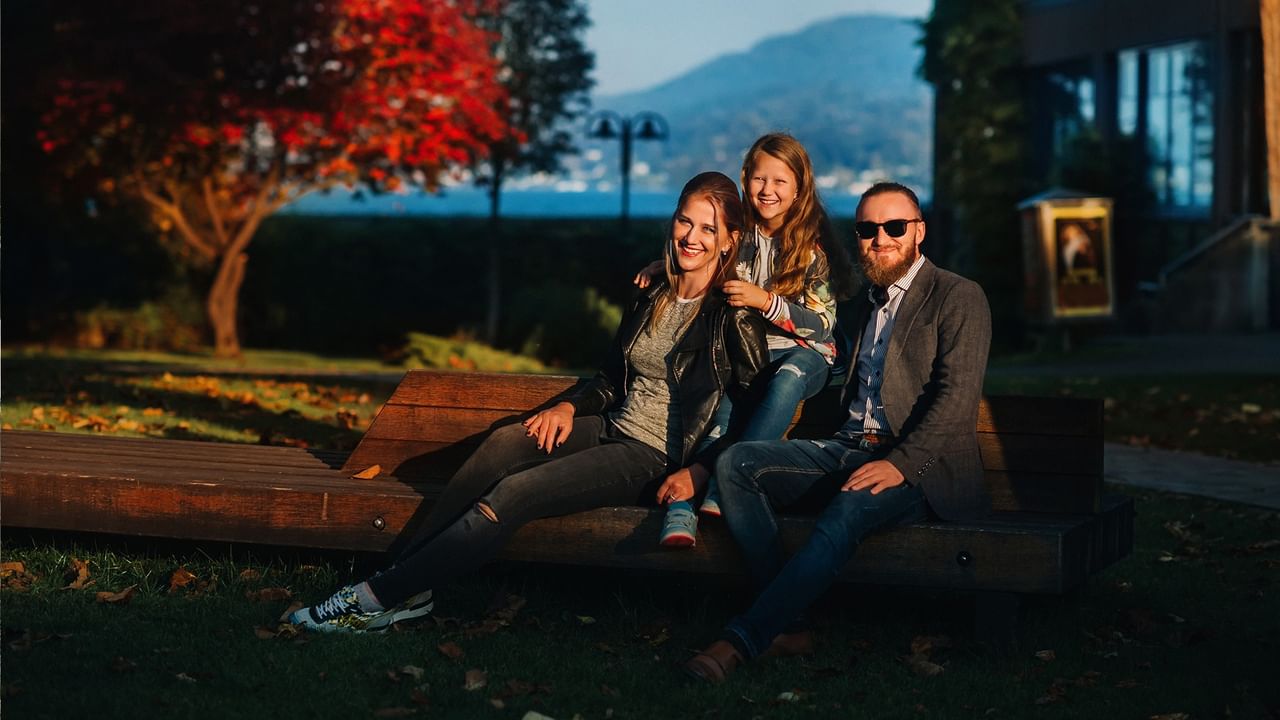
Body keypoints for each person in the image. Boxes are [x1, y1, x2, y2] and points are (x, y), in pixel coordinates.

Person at [288, 172, 769, 633]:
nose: (692, 236)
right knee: (504, 442)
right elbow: (610, 378)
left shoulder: (732, 315)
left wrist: (702, 470)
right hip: (612, 426)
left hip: (652, 457)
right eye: (685, 220)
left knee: (515, 493)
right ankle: (404, 584)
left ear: (730, 240)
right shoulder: (652, 292)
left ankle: (373, 599)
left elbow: (754, 410)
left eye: (709, 228)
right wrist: (567, 408)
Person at [683, 181, 992, 681]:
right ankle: (790, 624)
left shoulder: (958, 296)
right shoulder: (868, 303)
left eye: (895, 227)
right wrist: (668, 270)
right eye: (869, 229)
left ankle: (740, 641)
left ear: (920, 232)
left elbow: (955, 404)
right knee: (737, 464)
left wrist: (898, 465)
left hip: (921, 470)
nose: (881, 239)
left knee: (846, 507)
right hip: (849, 449)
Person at [636, 133, 855, 547]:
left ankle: (723, 484)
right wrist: (662, 268)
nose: (767, 190)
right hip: (751, 355)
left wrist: (767, 302)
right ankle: (682, 511)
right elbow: (699, 255)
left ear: (799, 188)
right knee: (720, 418)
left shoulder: (811, 247)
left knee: (787, 377)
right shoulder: (738, 235)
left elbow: (823, 325)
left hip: (808, 356)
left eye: (780, 181)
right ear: (745, 178)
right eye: (759, 179)